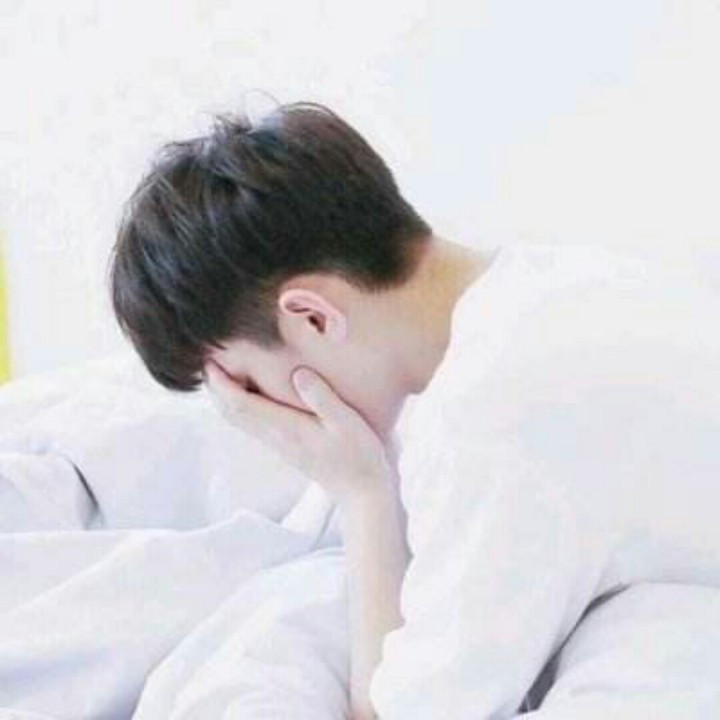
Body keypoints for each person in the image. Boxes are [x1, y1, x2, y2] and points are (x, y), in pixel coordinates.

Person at [109, 99, 720, 719]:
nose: (259, 417)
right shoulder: (568, 278)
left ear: (313, 317)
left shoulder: (487, 421)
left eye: (246, 383)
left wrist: (362, 494)